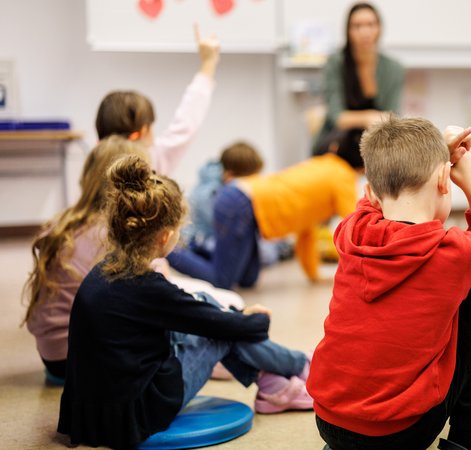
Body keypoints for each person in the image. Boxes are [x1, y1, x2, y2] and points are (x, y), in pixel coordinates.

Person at [57, 156, 313, 449]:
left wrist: (236, 317)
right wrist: (255, 320)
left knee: (204, 303)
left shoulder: (104, 270)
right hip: (135, 411)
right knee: (221, 332)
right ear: (165, 236)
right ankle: (298, 366)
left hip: (92, 412)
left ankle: (274, 383)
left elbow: (192, 312)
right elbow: (220, 326)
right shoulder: (148, 288)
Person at [307, 117, 471, 450]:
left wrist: (431, 153)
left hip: (329, 423)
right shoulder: (454, 250)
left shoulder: (351, 230)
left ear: (370, 193)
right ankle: (468, 441)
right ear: (444, 179)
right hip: (402, 435)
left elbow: (375, 195)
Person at [167, 143, 359, 288]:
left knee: (248, 279)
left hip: (243, 204)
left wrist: (314, 275)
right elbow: (355, 225)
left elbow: (306, 230)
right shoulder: (343, 175)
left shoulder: (327, 166)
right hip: (239, 202)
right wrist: (364, 271)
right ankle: (168, 249)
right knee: (222, 280)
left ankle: (194, 248)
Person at [94, 24, 219, 176]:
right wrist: (208, 62)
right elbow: (187, 123)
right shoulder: (154, 159)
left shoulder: (92, 167)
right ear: (145, 130)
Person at [312, 2, 404, 169]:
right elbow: (337, 117)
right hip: (337, 146)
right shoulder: (335, 63)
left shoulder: (393, 67)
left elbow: (394, 116)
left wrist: (369, 119)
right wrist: (369, 117)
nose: (364, 32)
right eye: (357, 26)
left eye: (370, 25)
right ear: (348, 31)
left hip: (378, 147)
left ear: (379, 28)